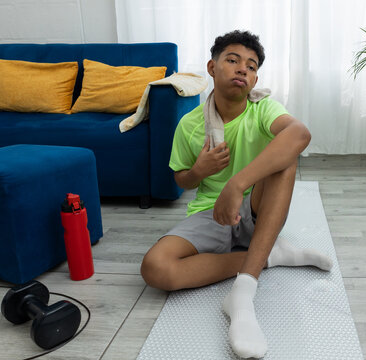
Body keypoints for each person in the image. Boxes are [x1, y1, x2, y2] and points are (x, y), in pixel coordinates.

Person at [140, 30, 332, 359]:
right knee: (155, 268)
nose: (243, 69)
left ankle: (242, 294)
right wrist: (200, 171)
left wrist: (236, 184)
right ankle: (269, 256)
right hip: (209, 213)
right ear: (212, 67)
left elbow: (300, 133)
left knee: (285, 160)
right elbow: (181, 180)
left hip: (256, 207)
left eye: (252, 65)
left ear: (256, 77)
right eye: (233, 60)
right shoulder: (189, 125)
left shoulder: (263, 109)